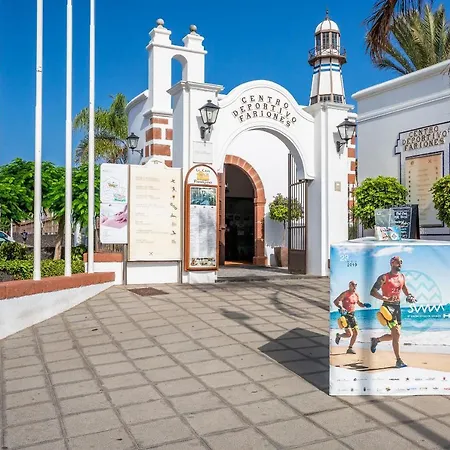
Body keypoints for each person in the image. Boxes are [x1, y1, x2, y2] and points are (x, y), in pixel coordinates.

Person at [369, 256, 416, 368]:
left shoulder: (402, 277)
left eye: (401, 262)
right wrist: (384, 298)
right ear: (392, 263)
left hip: (397, 308)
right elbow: (373, 291)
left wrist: (409, 296)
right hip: (387, 307)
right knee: (397, 334)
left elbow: (404, 288)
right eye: (398, 262)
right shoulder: (384, 277)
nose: (400, 264)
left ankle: (376, 340)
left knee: (395, 335)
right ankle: (398, 360)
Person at [334, 281, 371, 354]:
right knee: (349, 334)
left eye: (356, 285)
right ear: (350, 286)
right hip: (345, 316)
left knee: (356, 332)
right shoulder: (345, 293)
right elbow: (336, 301)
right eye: (353, 285)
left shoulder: (356, 295)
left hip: (352, 315)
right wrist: (341, 307)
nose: (355, 287)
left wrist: (364, 305)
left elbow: (359, 303)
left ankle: (350, 348)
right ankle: (339, 335)